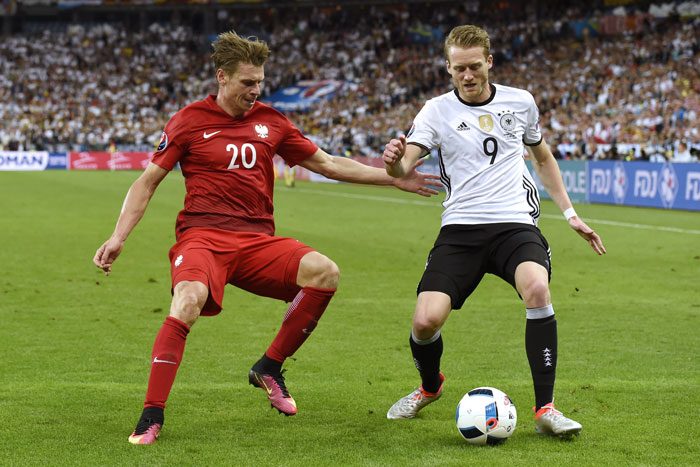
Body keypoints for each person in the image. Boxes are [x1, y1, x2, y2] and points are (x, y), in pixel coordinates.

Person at [93, 30, 441, 446]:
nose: (255, 90)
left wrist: (392, 179)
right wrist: (118, 237)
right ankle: (151, 415)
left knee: (325, 273)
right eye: (246, 82)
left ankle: (270, 367)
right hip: (203, 238)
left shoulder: (272, 122)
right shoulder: (188, 121)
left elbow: (327, 163)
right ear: (222, 77)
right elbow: (146, 182)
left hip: (257, 242)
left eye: (259, 81)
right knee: (187, 301)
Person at [382, 25, 606, 438]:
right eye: (458, 69)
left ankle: (546, 408)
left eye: (474, 66)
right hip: (461, 229)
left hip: (514, 224)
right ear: (447, 69)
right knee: (425, 322)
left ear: (489, 61)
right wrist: (395, 161)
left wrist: (571, 213)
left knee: (537, 290)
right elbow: (403, 166)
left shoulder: (520, 102)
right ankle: (430, 387)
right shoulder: (435, 111)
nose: (467, 76)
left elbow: (542, 158)